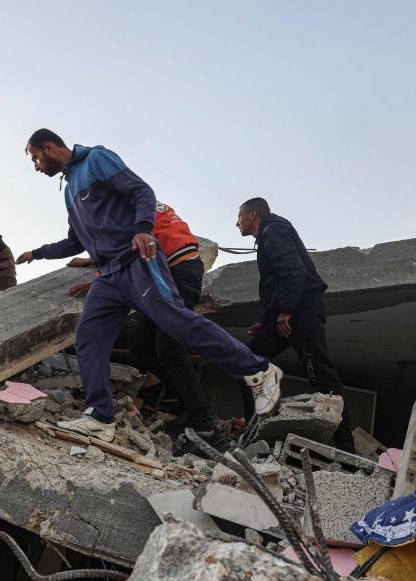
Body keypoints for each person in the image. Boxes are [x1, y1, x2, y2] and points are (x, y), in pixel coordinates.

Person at [16, 128, 282, 443]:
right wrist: (40, 253)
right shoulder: (69, 189)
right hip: (109, 275)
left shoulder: (96, 158)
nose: (36, 166)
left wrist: (143, 228)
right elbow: (76, 240)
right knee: (89, 336)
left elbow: (141, 191)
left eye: (36, 158)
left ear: (49, 147)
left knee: (175, 321)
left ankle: (259, 371)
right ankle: (99, 417)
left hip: (137, 261)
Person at [67, 202, 224, 444]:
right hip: (172, 268)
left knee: (170, 348)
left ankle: (206, 425)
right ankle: (193, 406)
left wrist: (102, 280)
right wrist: (93, 261)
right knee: (141, 344)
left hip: (178, 271)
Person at [236, 197, 354, 451]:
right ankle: (256, 436)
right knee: (247, 366)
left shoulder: (274, 229)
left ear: (253, 215)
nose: (237, 223)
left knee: (323, 378)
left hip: (301, 312)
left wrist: (287, 310)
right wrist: (265, 320)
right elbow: (278, 282)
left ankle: (346, 448)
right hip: (285, 315)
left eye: (240, 217)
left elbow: (293, 271)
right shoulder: (267, 235)